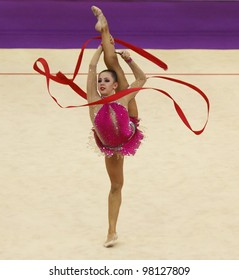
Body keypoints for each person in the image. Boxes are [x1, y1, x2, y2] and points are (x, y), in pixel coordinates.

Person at [88, 6, 147, 247]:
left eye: (105, 81)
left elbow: (142, 79)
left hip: (128, 118)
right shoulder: (93, 101)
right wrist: (100, 48)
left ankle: (105, 27)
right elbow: (92, 70)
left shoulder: (123, 97)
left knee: (112, 61)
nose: (101, 83)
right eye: (100, 81)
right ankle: (111, 232)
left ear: (113, 87)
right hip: (113, 147)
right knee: (116, 185)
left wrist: (130, 59)